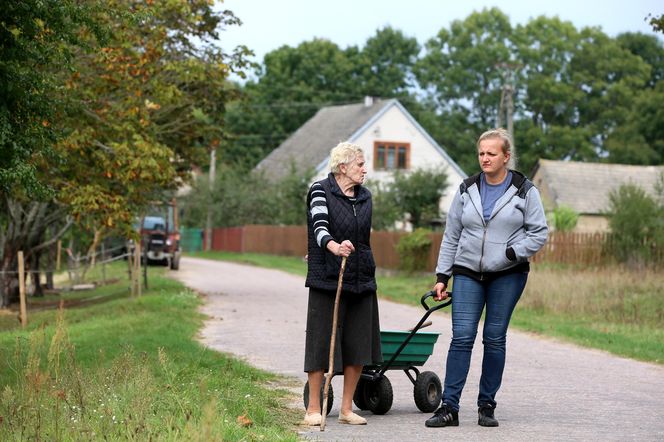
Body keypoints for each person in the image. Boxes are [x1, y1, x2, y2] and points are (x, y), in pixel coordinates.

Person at [425, 128, 548, 428]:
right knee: (462, 337)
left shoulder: (524, 189)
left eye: (491, 153)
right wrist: (443, 275)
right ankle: (449, 407)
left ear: (506, 156)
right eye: (481, 153)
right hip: (467, 272)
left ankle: (486, 405)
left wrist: (511, 253)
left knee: (494, 338)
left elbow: (539, 233)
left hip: (508, 274)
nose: (485, 158)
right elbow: (452, 234)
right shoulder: (467, 188)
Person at [302, 141, 382, 426]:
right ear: (343, 167)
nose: (365, 170)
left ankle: (347, 409)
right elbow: (319, 225)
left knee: (358, 343)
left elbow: (364, 238)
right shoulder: (320, 190)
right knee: (320, 342)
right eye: (360, 164)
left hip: (361, 278)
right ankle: (313, 407)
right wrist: (333, 246)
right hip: (328, 278)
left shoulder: (366, 197)